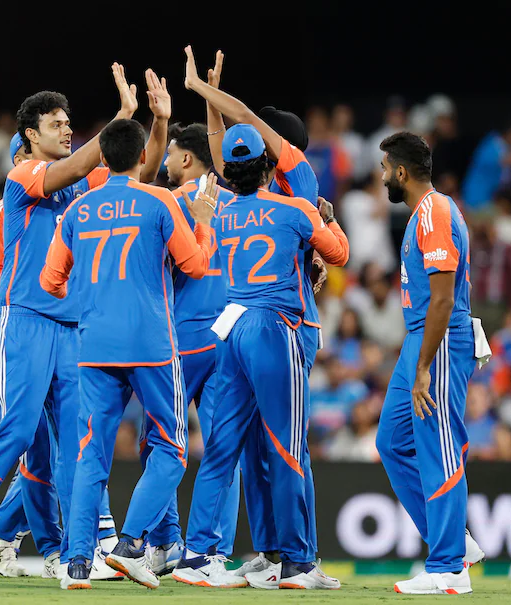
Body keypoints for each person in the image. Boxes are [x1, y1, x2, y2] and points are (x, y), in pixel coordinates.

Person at [0, 64, 168, 578]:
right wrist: (119, 118)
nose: (67, 130)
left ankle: (73, 554)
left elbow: (139, 168)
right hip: (24, 321)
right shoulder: (23, 178)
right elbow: (84, 162)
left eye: (69, 123)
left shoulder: (82, 184)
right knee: (19, 431)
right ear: (29, 135)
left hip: (72, 328)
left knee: (74, 448)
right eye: (56, 124)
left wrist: (156, 123)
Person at [171, 121, 348, 589]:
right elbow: (339, 255)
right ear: (268, 165)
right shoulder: (295, 210)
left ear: (228, 171)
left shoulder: (220, 213)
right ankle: (296, 563)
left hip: (229, 327)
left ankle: (197, 556)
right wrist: (326, 218)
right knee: (287, 449)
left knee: (220, 448)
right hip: (274, 328)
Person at [40, 118, 215, 590]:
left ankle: (77, 563)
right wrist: (203, 222)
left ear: (101, 158)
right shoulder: (159, 201)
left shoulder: (78, 209)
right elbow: (196, 266)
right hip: (152, 344)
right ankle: (130, 544)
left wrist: (91, 298)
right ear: (143, 157)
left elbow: (50, 282)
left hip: (95, 343)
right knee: (172, 449)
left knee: (89, 454)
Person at [0, 134, 121, 581]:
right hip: (27, 325)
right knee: (32, 447)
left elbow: (130, 174)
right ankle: (43, 541)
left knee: (62, 448)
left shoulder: (73, 197)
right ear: (23, 157)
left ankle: (34, 539)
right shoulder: (2, 211)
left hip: (68, 326)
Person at [375, 132, 479, 595]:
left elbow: (443, 299)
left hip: (439, 339)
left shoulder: (434, 212)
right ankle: (453, 540)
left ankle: (449, 568)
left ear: (401, 172)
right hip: (419, 338)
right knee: (392, 441)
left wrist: (423, 367)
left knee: (439, 446)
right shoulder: (424, 212)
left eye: (385, 169)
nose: (381, 177)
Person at [142, 121, 238, 577]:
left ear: (185, 158)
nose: (164, 162)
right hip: (229, 336)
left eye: (169, 154)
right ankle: (213, 553)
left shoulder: (170, 201)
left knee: (160, 443)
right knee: (223, 448)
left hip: (180, 338)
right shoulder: (240, 202)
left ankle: (163, 542)